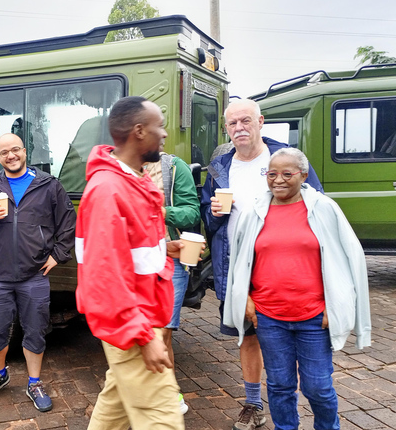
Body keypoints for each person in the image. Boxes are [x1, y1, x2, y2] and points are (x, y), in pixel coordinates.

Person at [223, 148, 371, 430]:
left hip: (314, 316)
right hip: (269, 316)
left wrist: (336, 303)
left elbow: (348, 258)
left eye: (287, 174)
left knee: (318, 387)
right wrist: (246, 299)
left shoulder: (323, 208)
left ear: (303, 176)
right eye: (272, 173)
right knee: (279, 386)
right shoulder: (255, 211)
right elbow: (242, 261)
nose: (278, 180)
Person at [77, 96, 198, 430]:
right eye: (160, 125)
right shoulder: (108, 190)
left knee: (114, 409)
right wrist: (143, 336)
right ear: (139, 131)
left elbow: (126, 251)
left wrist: (168, 248)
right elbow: (104, 274)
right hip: (131, 322)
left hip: (139, 315)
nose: (164, 134)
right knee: (163, 418)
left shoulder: (131, 179)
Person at [200, 98, 323, 430]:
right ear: (226, 128)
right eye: (232, 123)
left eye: (245, 121)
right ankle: (254, 404)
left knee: (292, 334)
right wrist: (212, 215)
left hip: (283, 264)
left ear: (260, 121)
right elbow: (209, 223)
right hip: (237, 265)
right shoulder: (220, 168)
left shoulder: (284, 159)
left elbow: (317, 209)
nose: (239, 128)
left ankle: (304, 398)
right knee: (247, 334)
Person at [0, 133, 76, 412]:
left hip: (34, 274)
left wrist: (58, 255)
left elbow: (67, 221)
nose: (11, 155)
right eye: (4, 152)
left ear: (25, 151)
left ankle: (34, 382)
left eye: (15, 150)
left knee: (36, 331)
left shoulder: (48, 186)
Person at [144, 151, 200, 414]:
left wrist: (161, 210)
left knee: (163, 332)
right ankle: (147, 393)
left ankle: (168, 394)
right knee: (142, 333)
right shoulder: (119, 168)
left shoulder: (175, 167)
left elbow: (191, 213)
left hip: (170, 257)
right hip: (134, 261)